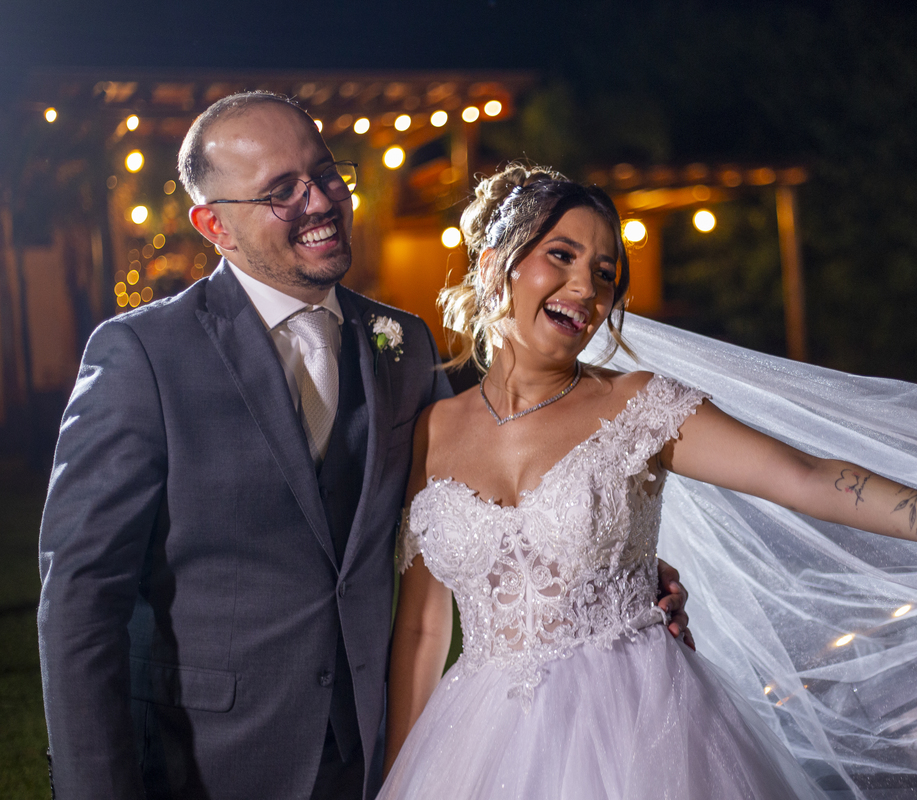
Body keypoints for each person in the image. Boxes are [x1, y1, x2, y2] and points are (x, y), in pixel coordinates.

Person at [377, 164, 917, 799]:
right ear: (496, 264)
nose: (586, 286)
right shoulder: (434, 431)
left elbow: (809, 478)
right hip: (475, 743)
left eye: (605, 272)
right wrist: (400, 778)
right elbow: (420, 632)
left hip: (638, 727)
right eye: (563, 256)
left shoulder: (638, 407)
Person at [36, 92, 691, 800]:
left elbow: (478, 490)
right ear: (215, 225)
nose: (320, 201)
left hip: (367, 755)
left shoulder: (401, 345)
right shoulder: (142, 354)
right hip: (207, 761)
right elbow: (80, 599)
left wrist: (607, 567)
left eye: (324, 174)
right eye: (282, 191)